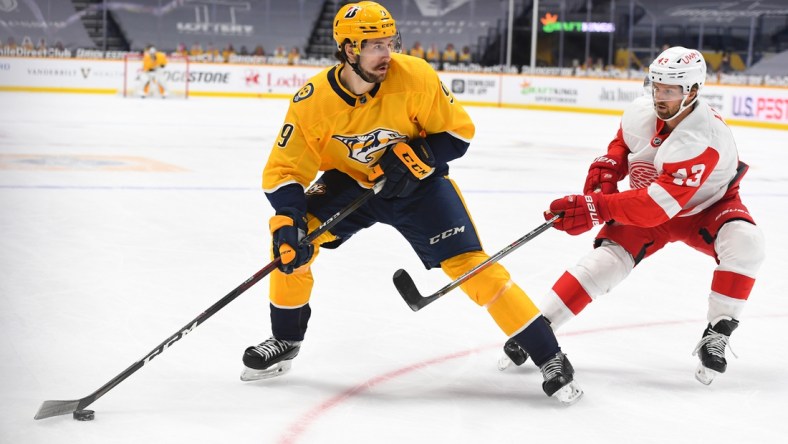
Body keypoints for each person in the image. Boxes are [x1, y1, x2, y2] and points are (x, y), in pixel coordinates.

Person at [240, 1, 583, 405]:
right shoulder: (311, 101)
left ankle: (550, 356)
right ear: (348, 50)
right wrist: (288, 222)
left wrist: (417, 156)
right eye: (374, 45)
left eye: (390, 42)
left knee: (473, 268)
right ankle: (285, 339)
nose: (387, 53)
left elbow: (457, 135)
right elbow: (284, 172)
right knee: (292, 248)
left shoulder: (415, 76)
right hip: (351, 184)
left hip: (418, 190)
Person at [498, 46, 765, 386]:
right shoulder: (640, 111)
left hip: (706, 208)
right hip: (653, 200)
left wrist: (597, 207)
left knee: (747, 244)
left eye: (669, 90)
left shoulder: (702, 138)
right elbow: (623, 144)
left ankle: (718, 331)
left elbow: (656, 207)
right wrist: (608, 167)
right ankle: (539, 329)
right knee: (604, 263)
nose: (659, 96)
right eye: (656, 86)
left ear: (693, 91)